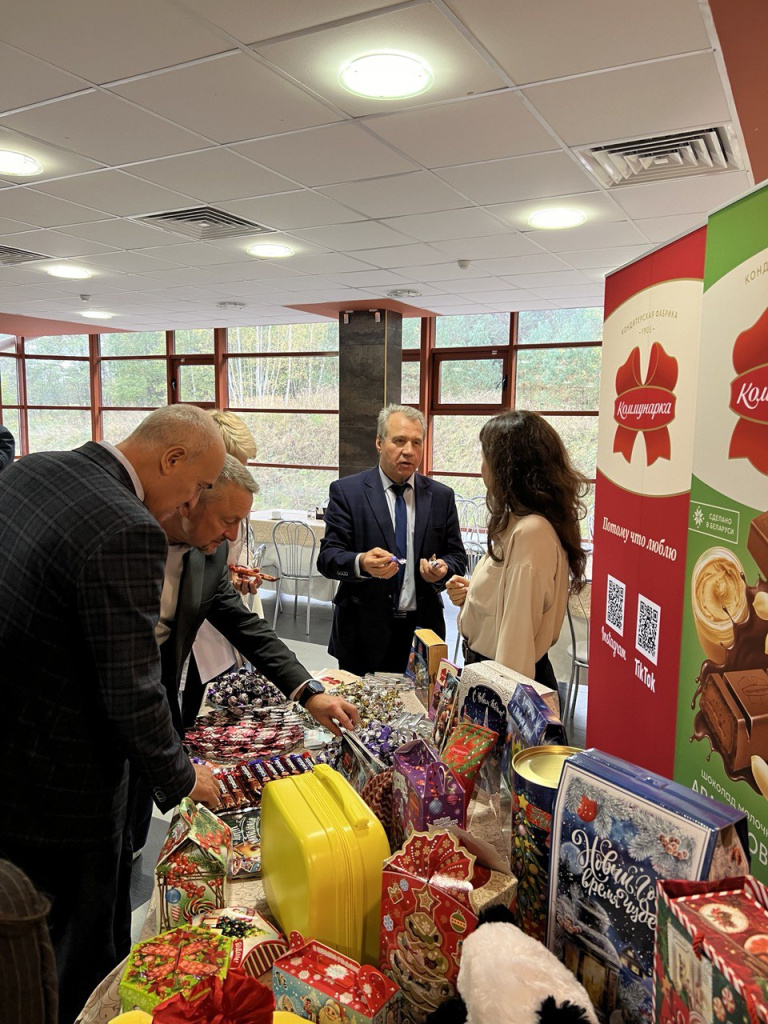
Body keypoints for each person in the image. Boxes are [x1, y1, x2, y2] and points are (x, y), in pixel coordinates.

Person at [0, 404, 226, 1024]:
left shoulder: (29, 470)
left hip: (11, 755)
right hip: (64, 784)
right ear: (171, 459)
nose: (193, 502)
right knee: (81, 957)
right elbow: (130, 687)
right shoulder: (127, 527)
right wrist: (182, 778)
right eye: (200, 486)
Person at [117, 455, 360, 954]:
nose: (232, 536)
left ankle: (125, 878)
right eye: (227, 520)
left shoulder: (207, 557)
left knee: (131, 834)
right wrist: (180, 774)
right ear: (189, 499)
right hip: (102, 725)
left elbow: (246, 626)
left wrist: (309, 691)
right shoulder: (124, 539)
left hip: (153, 711)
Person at [318, 404, 466, 676]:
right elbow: (328, 558)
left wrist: (443, 570)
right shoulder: (348, 492)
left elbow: (457, 556)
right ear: (379, 442)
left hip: (423, 632)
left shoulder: (441, 496)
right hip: (362, 631)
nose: (408, 450)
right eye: (399, 440)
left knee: (421, 717)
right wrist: (361, 562)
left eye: (416, 442)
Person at [446, 410, 588, 688]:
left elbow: (516, 646)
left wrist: (501, 705)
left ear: (508, 467)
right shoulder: (520, 522)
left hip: (501, 685)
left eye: (485, 456)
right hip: (487, 673)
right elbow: (510, 604)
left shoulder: (531, 532)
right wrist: (474, 594)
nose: (482, 467)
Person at [189, 411, 263, 697]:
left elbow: (238, 551)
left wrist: (243, 574)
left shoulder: (234, 504)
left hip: (230, 625)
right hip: (199, 633)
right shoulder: (183, 514)